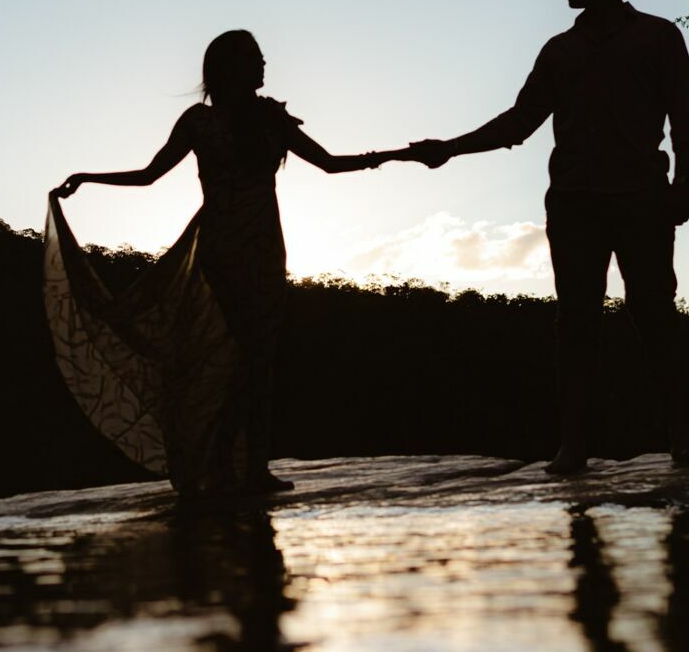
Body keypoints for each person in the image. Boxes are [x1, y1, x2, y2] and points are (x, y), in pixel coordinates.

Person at [47, 29, 418, 497]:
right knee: (254, 356)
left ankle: (238, 463)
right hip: (223, 249)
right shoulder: (199, 122)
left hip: (266, 248)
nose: (264, 64)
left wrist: (397, 156)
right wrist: (87, 178)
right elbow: (149, 175)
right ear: (228, 67)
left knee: (258, 359)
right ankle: (235, 462)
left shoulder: (271, 118)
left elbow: (328, 163)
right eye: (254, 57)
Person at [409, 0, 689, 474]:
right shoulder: (560, 51)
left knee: (655, 314)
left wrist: (683, 184)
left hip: (642, 197)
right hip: (575, 202)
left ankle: (682, 436)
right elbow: (520, 121)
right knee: (575, 322)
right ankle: (573, 445)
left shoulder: (658, 36)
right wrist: (450, 149)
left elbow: (684, 114)